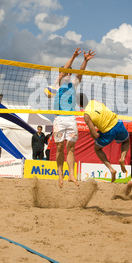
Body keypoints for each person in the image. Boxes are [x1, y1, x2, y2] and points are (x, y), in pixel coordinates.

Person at [53, 48, 95, 187]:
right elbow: (65, 69)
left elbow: (80, 74)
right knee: (60, 147)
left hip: (71, 118)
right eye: (66, 71)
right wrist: (73, 56)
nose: (67, 73)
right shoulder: (58, 83)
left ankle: (71, 175)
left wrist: (84, 60)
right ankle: (60, 175)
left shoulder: (73, 84)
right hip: (59, 118)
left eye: (69, 72)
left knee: (71, 148)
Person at [77, 93, 130, 183]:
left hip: (107, 131)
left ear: (79, 104)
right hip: (117, 123)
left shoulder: (86, 115)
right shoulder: (94, 101)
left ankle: (111, 169)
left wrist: (93, 133)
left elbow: (95, 135)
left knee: (97, 149)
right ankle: (122, 158)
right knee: (126, 141)